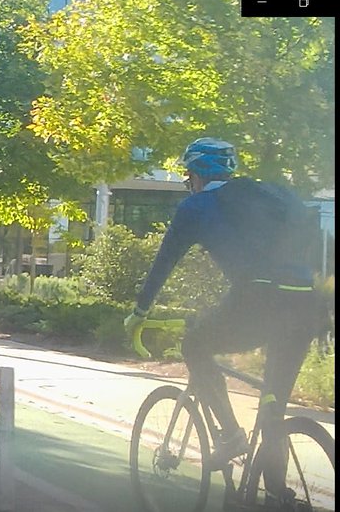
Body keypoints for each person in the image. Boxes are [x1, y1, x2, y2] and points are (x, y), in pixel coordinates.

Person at [123, 138, 324, 483]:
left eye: (188, 177)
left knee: (195, 346)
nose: (189, 184)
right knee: (272, 409)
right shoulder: (266, 198)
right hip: (307, 305)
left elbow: (165, 261)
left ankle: (231, 435)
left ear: (197, 174)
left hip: (258, 301)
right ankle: (277, 496)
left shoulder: (197, 207)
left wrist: (140, 311)